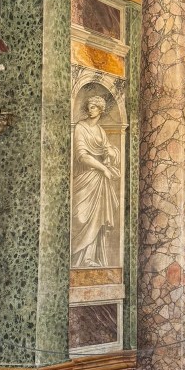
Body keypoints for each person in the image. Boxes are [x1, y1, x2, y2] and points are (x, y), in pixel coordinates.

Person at [71, 95, 120, 268]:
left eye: (94, 107)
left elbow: (109, 151)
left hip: (99, 182)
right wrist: (103, 168)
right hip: (85, 177)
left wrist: (111, 154)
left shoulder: (100, 131)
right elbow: (82, 156)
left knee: (97, 219)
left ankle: (90, 258)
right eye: (89, 106)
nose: (90, 109)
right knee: (81, 216)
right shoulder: (80, 127)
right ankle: (77, 259)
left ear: (100, 110)